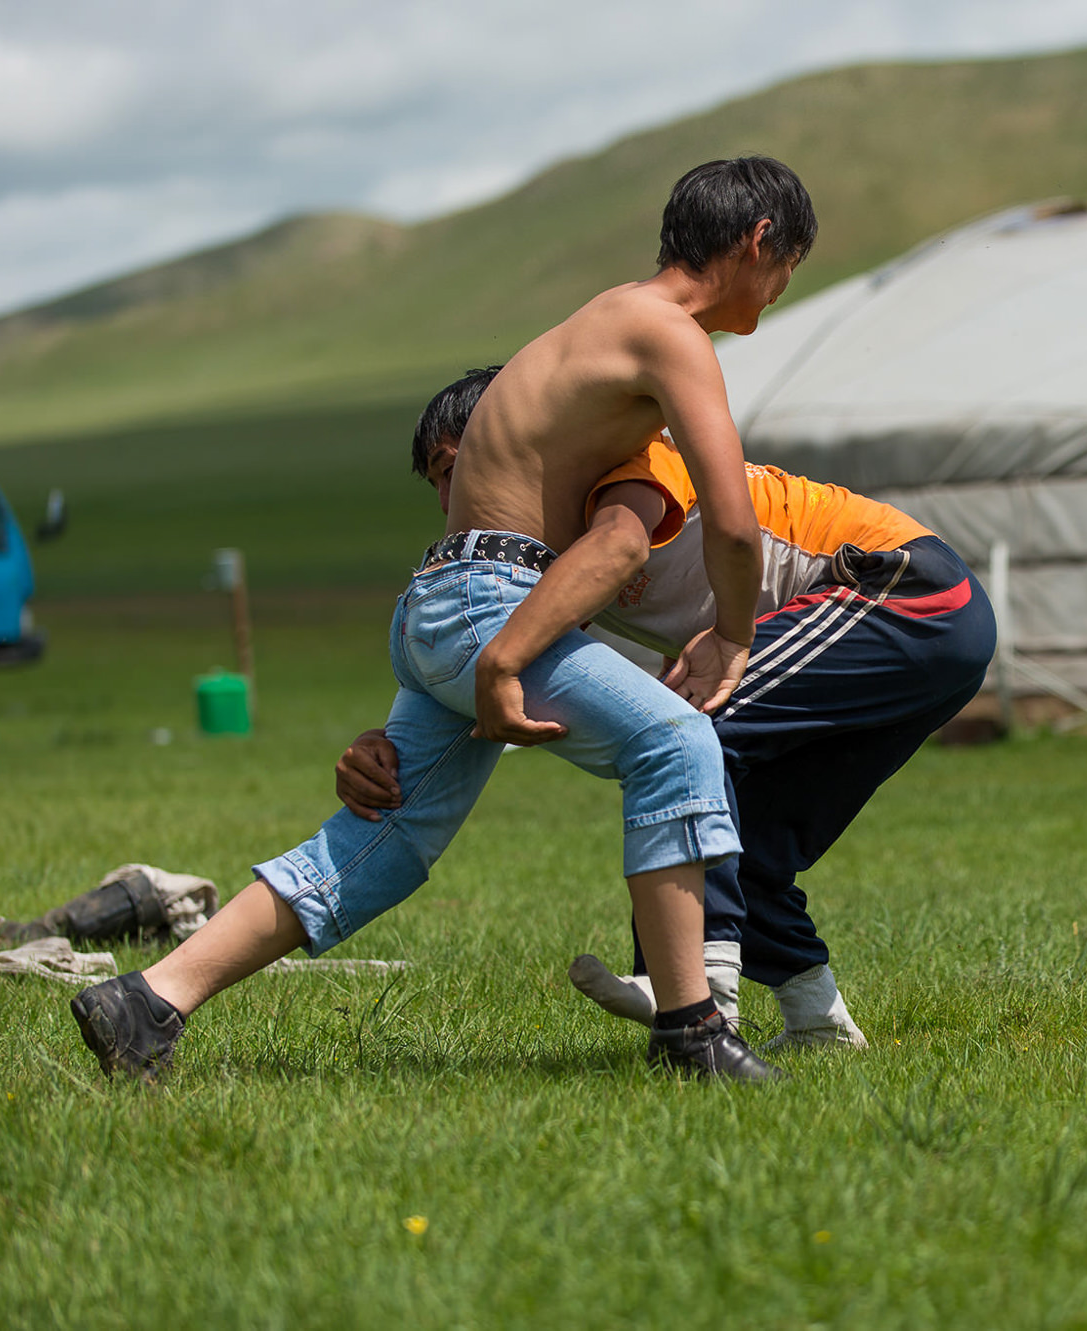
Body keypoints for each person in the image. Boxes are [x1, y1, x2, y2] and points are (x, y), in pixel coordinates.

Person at [68, 157, 817, 1084]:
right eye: (788, 268)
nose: (783, 291)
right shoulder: (668, 335)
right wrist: (732, 634)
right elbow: (733, 524)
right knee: (677, 743)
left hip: (444, 595)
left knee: (385, 842)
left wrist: (490, 650)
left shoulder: (597, 325)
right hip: (492, 602)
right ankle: (694, 1036)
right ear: (757, 244)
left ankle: (149, 1001)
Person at [336, 367, 995, 1048]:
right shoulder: (548, 553)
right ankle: (816, 1019)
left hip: (907, 593)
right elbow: (493, 674)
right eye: (439, 480)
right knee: (744, 833)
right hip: (918, 638)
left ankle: (688, 990)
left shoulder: (629, 468)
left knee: (688, 740)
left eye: (461, 464)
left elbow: (620, 545)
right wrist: (389, 746)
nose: (453, 495)